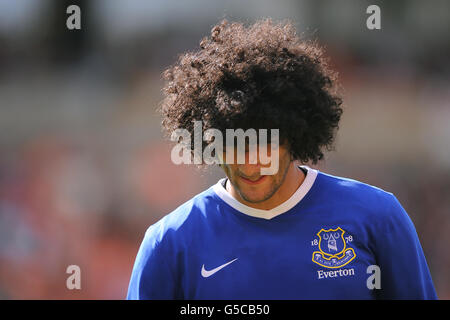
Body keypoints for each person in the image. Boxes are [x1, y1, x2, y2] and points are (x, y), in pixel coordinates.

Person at [126, 19, 437, 299]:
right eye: (234, 146)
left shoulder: (378, 217)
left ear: (294, 134)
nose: (249, 164)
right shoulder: (169, 243)